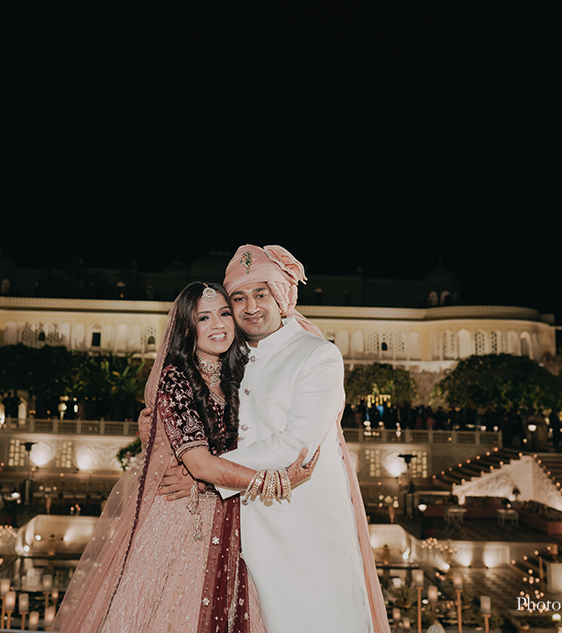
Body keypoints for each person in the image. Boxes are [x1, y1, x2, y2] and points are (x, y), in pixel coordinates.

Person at [53, 282, 314, 633]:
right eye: (204, 318)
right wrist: (276, 481)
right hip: (183, 522)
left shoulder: (241, 375)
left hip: (236, 517)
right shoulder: (176, 380)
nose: (219, 325)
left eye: (224, 314)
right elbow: (199, 462)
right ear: (186, 330)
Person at [158, 246, 388, 633]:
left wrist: (205, 474)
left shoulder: (317, 355)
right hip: (244, 528)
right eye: (239, 298)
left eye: (260, 294)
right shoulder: (232, 354)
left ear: (281, 296)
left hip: (306, 529)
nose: (250, 308)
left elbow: (293, 446)